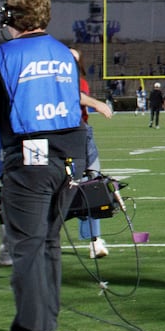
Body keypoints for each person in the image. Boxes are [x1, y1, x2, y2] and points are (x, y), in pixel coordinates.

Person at [0, 0, 84, 331]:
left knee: (26, 247)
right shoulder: (65, 53)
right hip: (70, 156)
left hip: (29, 156)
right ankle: (46, 324)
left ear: (10, 18)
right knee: (49, 242)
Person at [69, 48, 115, 259]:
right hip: (64, 135)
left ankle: (94, 240)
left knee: (91, 186)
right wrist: (96, 103)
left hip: (82, 133)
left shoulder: (80, 81)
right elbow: (74, 97)